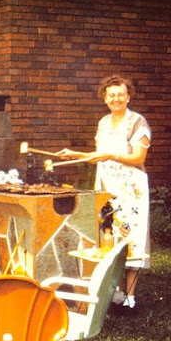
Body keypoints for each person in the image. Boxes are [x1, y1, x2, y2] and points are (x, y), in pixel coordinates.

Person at [55, 75, 151, 309]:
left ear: (128, 96)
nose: (116, 99)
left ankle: (130, 296)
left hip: (131, 190)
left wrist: (109, 156)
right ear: (105, 99)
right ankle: (115, 292)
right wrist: (76, 155)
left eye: (121, 94)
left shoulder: (137, 122)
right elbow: (98, 157)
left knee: (131, 239)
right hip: (106, 187)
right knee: (109, 237)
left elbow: (139, 157)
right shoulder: (103, 123)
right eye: (111, 96)